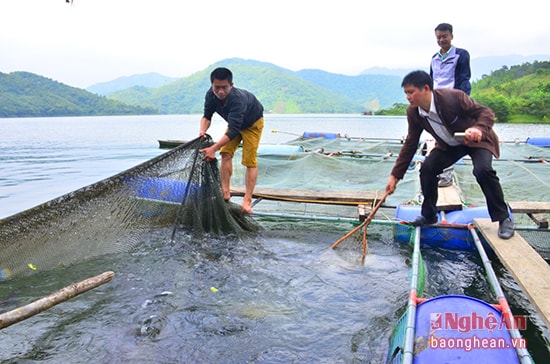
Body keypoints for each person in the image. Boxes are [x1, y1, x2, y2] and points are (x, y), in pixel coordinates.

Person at [385, 70, 514, 239]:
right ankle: (429, 215)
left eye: (411, 92)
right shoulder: (414, 112)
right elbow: (410, 143)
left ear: (425, 88)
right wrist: (395, 175)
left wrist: (478, 129)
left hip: (477, 140)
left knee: (482, 171)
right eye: (406, 93)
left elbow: (486, 113)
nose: (408, 97)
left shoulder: (452, 98)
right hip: (450, 145)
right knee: (428, 169)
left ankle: (503, 219)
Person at [199, 67, 264, 213]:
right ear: (212, 85)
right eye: (217, 87)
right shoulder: (210, 95)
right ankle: (225, 192)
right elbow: (207, 116)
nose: (220, 91)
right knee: (225, 153)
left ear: (231, 85)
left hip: (252, 123)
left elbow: (233, 130)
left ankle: (247, 199)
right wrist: (202, 131)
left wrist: (213, 148)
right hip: (235, 124)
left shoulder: (237, 99)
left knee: (249, 160)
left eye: (224, 87)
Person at [429, 22, 472, 187]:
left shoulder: (460, 55)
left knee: (451, 138)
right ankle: (441, 173)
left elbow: (464, 80)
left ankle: (446, 177)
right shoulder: (434, 58)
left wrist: (462, 102)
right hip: (436, 104)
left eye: (444, 36)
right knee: (440, 137)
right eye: (438, 37)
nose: (441, 40)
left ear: (451, 36)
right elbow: (431, 81)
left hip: (453, 103)